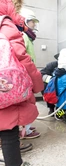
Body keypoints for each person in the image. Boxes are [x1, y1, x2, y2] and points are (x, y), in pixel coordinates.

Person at [0, 0, 43, 166]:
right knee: (9, 131)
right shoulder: (5, 24)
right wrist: (37, 83)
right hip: (5, 88)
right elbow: (22, 57)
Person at [19, 8, 40, 139]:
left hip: (27, 75)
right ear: (25, 21)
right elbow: (23, 57)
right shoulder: (24, 37)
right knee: (28, 103)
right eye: (32, 21)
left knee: (28, 103)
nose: (34, 24)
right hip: (26, 76)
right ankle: (26, 131)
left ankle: (26, 127)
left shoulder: (27, 37)